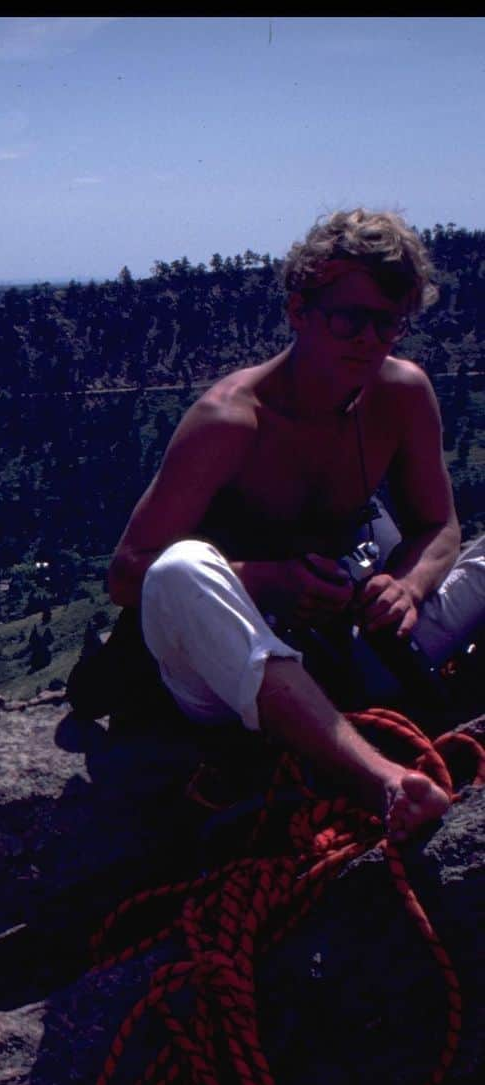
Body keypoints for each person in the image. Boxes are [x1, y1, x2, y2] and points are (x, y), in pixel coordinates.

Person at [107, 208, 485, 842]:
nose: (368, 339)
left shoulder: (403, 394)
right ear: (299, 310)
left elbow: (438, 524)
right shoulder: (229, 421)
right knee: (181, 567)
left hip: (353, 644)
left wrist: (409, 587)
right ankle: (384, 782)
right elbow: (128, 575)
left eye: (387, 322)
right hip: (232, 671)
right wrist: (268, 581)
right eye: (348, 317)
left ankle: (347, 723)